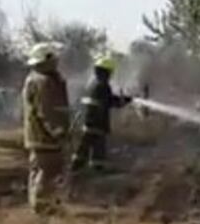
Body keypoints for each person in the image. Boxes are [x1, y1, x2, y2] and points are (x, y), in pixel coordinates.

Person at [22, 42, 71, 214]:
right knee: (45, 170)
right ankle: (41, 205)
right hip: (44, 136)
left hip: (42, 135)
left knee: (45, 170)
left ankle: (46, 203)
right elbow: (47, 111)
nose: (57, 62)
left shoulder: (45, 79)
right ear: (45, 60)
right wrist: (57, 131)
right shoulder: (42, 82)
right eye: (54, 58)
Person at [71, 56, 132, 173]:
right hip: (98, 122)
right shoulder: (103, 85)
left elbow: (107, 99)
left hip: (89, 120)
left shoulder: (94, 84)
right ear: (107, 72)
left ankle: (77, 169)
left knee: (85, 146)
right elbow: (110, 102)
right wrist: (124, 101)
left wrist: (124, 99)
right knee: (97, 147)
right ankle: (94, 170)